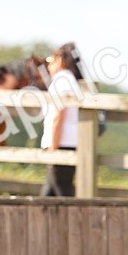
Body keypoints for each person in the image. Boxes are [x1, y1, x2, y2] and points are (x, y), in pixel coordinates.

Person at [39, 42, 85, 197]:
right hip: (67, 142)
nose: (49, 65)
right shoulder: (69, 80)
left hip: (61, 142)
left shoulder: (62, 81)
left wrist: (53, 146)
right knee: (53, 190)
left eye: (51, 60)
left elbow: (58, 116)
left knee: (60, 192)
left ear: (61, 60)